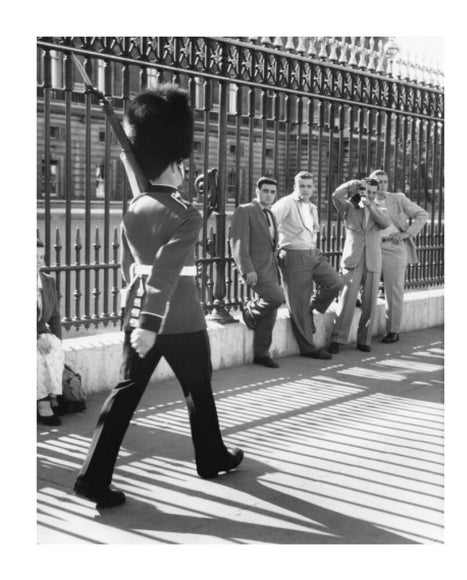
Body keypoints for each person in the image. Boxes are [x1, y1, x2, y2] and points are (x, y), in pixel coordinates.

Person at [74, 84, 243, 508]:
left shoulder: (134, 207)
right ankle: (210, 455)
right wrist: (151, 324)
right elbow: (167, 271)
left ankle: (93, 477)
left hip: (139, 317)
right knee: (198, 389)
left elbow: (130, 264)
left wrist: (138, 317)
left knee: (124, 396)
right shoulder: (186, 212)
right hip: (180, 319)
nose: (186, 169)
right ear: (174, 163)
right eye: (182, 163)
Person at [270, 171, 344, 359]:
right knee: (298, 303)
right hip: (294, 255)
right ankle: (308, 348)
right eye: (302, 185)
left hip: (313, 253)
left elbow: (313, 230)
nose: (305, 189)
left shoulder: (312, 207)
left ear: (313, 188)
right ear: (295, 186)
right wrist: (275, 249)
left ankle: (312, 307)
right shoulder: (285, 203)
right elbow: (269, 223)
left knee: (335, 282)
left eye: (309, 186)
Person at [328, 178, 390, 354]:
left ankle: (365, 339)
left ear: (376, 193)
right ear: (360, 191)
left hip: (372, 261)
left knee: (369, 302)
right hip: (353, 260)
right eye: (365, 191)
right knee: (347, 300)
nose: (368, 194)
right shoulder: (348, 207)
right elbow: (335, 195)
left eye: (372, 192)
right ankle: (337, 338)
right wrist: (350, 185)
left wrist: (369, 205)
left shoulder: (381, 210)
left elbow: (385, 224)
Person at [230, 177, 285, 368]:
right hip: (255, 270)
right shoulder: (245, 210)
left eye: (272, 191)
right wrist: (247, 270)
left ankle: (261, 353)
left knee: (271, 312)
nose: (269, 195)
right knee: (276, 299)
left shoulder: (271, 214)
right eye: (265, 191)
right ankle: (250, 312)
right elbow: (238, 243)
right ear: (257, 191)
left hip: (271, 268)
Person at [369, 169, 428, 343]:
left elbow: (422, 215)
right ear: (370, 183)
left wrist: (407, 233)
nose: (382, 184)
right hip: (372, 247)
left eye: (385, 181)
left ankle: (393, 330)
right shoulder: (366, 199)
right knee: (361, 281)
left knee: (393, 290)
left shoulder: (397, 198)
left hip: (394, 248)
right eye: (378, 181)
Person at [37, 238, 64, 426]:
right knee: (37, 355)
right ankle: (43, 404)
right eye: (34, 256)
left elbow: (54, 315)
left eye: (41, 256)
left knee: (54, 348)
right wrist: (36, 337)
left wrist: (57, 339)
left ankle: (53, 394)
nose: (39, 260)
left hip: (40, 333)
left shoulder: (48, 281)